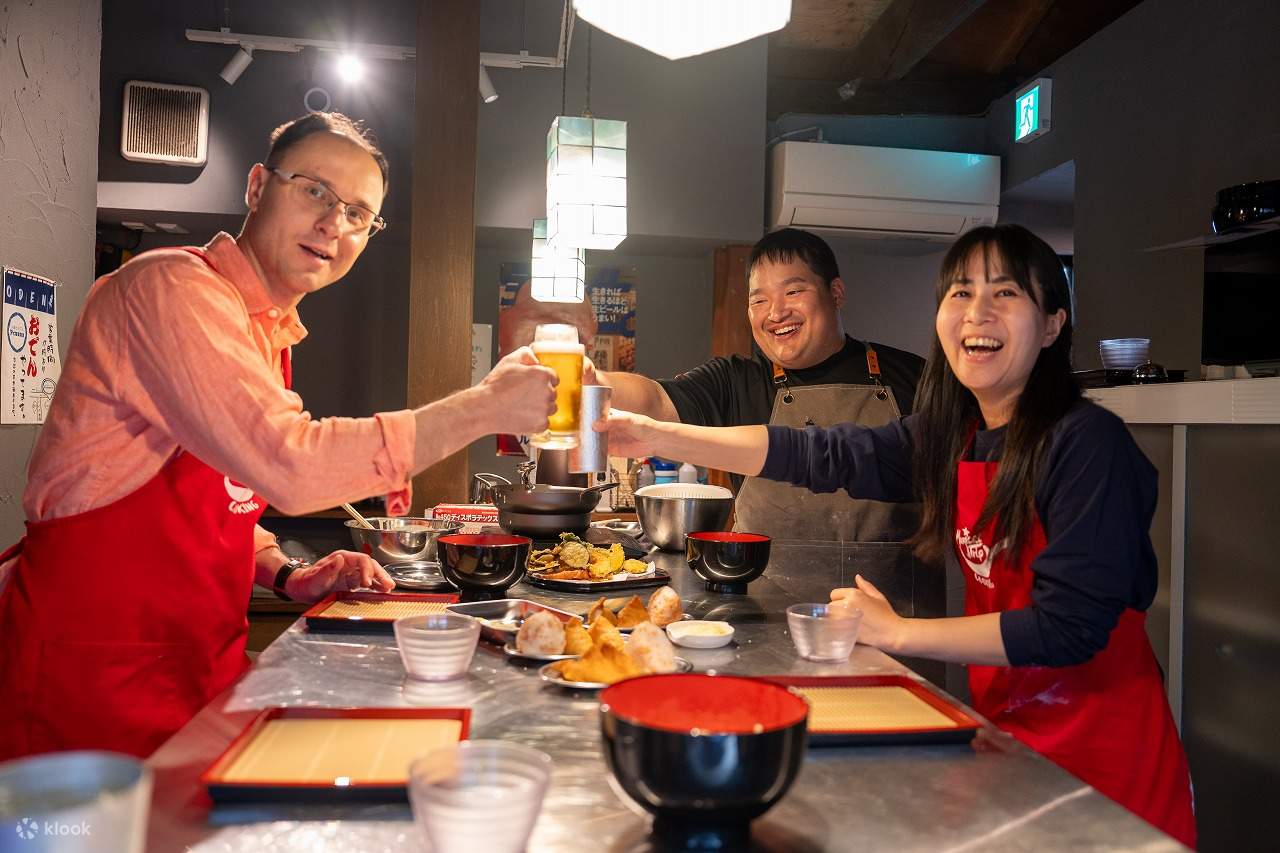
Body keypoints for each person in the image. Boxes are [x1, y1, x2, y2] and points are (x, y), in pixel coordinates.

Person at [599, 224, 1196, 846]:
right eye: (960, 293)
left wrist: (899, 632)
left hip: (1108, 763)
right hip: (1011, 736)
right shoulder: (951, 434)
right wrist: (658, 435)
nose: (978, 313)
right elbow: (819, 454)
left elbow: (1069, 627)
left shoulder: (1086, 445)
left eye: (1006, 294)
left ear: (1051, 324)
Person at [0, 112, 558, 761]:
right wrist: (483, 407)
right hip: (89, 683)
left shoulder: (263, 328)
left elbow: (219, 495)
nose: (334, 224)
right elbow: (288, 464)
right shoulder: (170, 288)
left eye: (358, 213)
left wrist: (289, 572)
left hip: (193, 671)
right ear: (258, 185)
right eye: (316, 191)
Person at [589, 227, 925, 546]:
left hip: (895, 604)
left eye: (793, 291)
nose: (776, 313)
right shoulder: (735, 380)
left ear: (835, 293)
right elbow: (655, 399)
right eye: (759, 300)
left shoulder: (916, 376)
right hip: (765, 601)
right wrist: (595, 383)